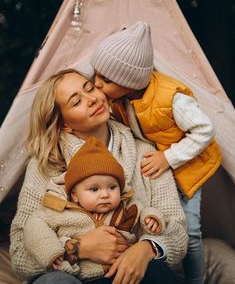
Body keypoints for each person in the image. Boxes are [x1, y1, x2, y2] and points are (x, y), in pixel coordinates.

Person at [10, 68, 188, 284]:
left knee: (156, 273)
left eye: (90, 88)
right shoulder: (44, 166)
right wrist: (78, 248)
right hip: (74, 277)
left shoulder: (147, 154)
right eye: (76, 102)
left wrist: (147, 248)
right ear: (64, 124)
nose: (92, 99)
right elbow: (20, 254)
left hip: (133, 275)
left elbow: (177, 228)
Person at [90, 21, 222, 284]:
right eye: (96, 75)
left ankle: (195, 281)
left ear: (129, 81)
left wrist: (168, 158)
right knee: (158, 225)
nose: (97, 84)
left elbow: (205, 131)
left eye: (105, 80)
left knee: (191, 230)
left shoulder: (172, 98)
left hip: (187, 167)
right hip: (156, 174)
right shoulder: (120, 99)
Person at [23, 136, 167, 282]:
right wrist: (52, 251)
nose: (105, 194)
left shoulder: (128, 206)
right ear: (75, 195)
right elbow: (34, 226)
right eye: (94, 189)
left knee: (158, 270)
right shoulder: (59, 212)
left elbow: (144, 212)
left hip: (123, 273)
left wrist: (151, 219)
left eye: (112, 187)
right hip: (83, 277)